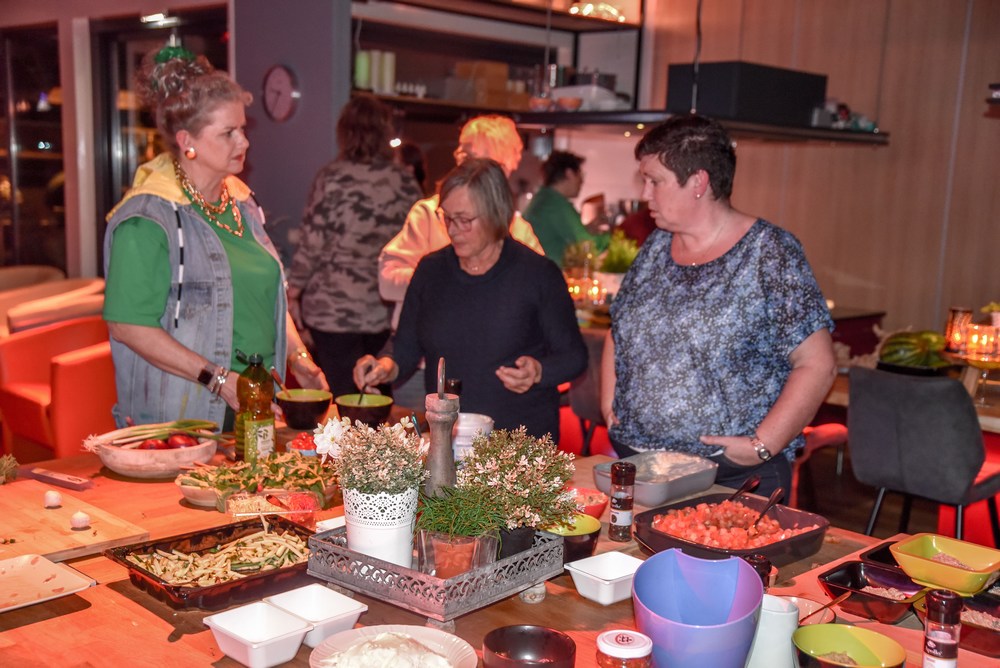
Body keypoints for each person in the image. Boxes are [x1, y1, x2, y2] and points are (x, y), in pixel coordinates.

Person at [600, 114, 836, 498]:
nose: (645, 194)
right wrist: (609, 403)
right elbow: (619, 329)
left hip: (730, 474)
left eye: (655, 181)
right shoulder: (656, 247)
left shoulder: (768, 252)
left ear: (698, 182)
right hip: (641, 466)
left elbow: (817, 364)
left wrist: (762, 444)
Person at [102, 42, 326, 430]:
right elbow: (128, 326)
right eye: (228, 133)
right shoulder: (147, 219)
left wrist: (299, 357)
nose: (244, 142)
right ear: (187, 141)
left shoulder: (240, 202)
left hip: (256, 407)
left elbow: (265, 298)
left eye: (243, 129)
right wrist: (220, 380)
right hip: (183, 421)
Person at [356, 158, 587, 440]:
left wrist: (538, 372)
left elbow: (574, 357)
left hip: (518, 442)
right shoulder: (431, 270)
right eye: (447, 218)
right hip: (450, 438)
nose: (453, 230)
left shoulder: (537, 274)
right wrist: (385, 365)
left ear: (496, 214)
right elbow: (406, 345)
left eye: (464, 220)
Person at [379, 114, 545, 410]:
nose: (460, 159)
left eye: (471, 155)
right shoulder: (429, 214)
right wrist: (439, 284)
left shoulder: (519, 230)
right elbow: (387, 279)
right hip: (420, 366)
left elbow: (540, 299)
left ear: (501, 168)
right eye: (461, 152)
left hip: (493, 375)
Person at [286, 95, 422, 398]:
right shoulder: (404, 182)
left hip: (332, 311)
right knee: (376, 394)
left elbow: (312, 243)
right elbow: (417, 243)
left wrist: (293, 292)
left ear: (345, 132)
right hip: (382, 310)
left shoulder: (331, 178)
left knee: (340, 400)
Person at [523, 150, 608, 267]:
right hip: (550, 272)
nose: (582, 181)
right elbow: (588, 246)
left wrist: (587, 229)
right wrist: (614, 237)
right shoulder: (555, 204)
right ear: (569, 173)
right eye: (580, 175)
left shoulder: (544, 198)